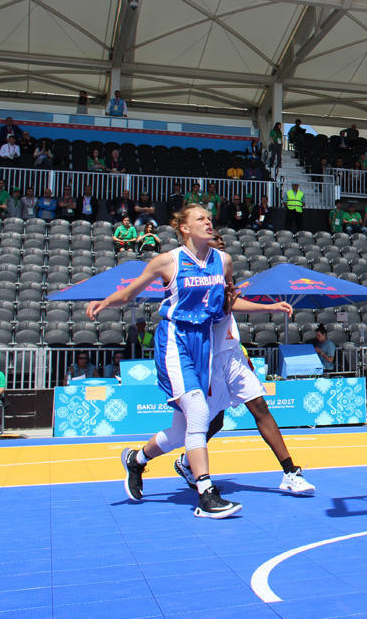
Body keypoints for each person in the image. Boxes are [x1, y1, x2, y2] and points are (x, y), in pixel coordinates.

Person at [96, 204, 291, 518]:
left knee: (180, 432)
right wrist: (104, 302)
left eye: (210, 218)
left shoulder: (223, 262)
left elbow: (228, 304)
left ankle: (136, 460)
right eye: (200, 218)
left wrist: (269, 307)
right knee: (200, 412)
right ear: (184, 228)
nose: (208, 222)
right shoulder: (167, 262)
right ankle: (206, 493)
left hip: (205, 344)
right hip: (175, 339)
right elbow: (130, 293)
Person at [164, 233, 315, 498]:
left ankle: (291, 472)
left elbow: (232, 304)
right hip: (209, 358)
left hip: (232, 355)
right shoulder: (195, 283)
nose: (222, 252)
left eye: (224, 249)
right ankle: (182, 462)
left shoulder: (223, 279)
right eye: (216, 247)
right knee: (214, 421)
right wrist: (230, 300)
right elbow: (221, 307)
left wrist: (271, 307)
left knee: (259, 407)